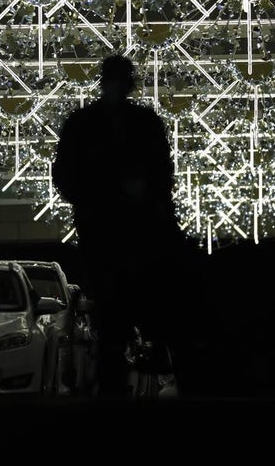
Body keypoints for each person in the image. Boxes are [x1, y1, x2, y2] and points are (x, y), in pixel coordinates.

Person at [52, 54, 194, 397]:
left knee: (118, 302)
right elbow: (163, 172)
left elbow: (162, 172)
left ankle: (126, 362)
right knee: (124, 300)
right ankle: (137, 357)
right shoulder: (127, 122)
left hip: (117, 228)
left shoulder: (90, 123)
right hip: (115, 227)